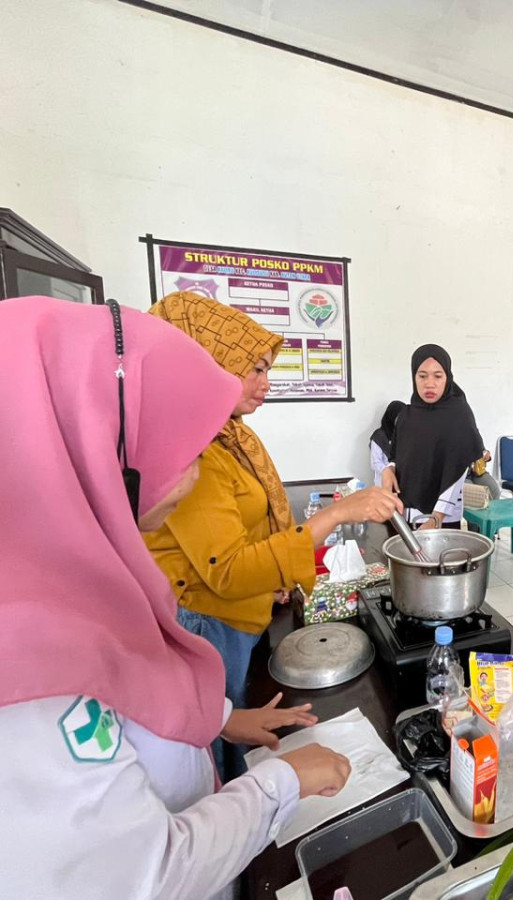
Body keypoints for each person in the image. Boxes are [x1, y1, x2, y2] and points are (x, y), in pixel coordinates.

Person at [0, 297, 352, 899]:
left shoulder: (59, 579)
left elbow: (119, 701)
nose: (188, 475)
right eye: (175, 442)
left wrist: (223, 721)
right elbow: (129, 882)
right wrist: (281, 783)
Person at [144, 292, 401, 777]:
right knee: (219, 753)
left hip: (242, 614)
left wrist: (278, 574)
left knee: (241, 732)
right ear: (207, 363)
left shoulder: (233, 432)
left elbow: (254, 524)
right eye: (253, 368)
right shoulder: (190, 448)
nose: (265, 383)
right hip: (207, 624)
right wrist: (338, 513)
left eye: (267, 369)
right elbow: (228, 569)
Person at [382, 344, 484, 531]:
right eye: (422, 376)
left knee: (437, 559)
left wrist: (436, 517)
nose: (430, 383)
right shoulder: (407, 415)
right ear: (414, 377)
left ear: (447, 377)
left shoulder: (458, 415)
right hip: (405, 512)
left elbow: (457, 470)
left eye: (438, 376)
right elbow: (398, 455)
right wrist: (388, 469)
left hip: (440, 519)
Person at [369, 400, 406, 486]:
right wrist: (389, 471)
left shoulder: (406, 434)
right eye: (399, 416)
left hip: (403, 483)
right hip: (384, 482)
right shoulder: (379, 436)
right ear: (392, 416)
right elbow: (375, 463)